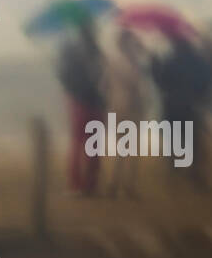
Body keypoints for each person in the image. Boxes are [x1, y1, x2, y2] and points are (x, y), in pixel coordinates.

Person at [150, 38, 212, 191]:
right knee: (193, 143)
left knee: (173, 142)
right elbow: (207, 82)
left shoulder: (170, 61)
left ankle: (173, 174)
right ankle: (195, 177)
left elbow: (161, 82)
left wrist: (155, 65)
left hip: (172, 107)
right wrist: (200, 98)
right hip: (191, 107)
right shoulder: (199, 61)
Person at [56, 19, 106, 195]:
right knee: (94, 145)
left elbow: (63, 77)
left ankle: (76, 184)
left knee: (77, 143)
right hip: (96, 102)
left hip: (78, 102)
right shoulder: (97, 51)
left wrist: (71, 90)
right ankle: (91, 184)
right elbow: (103, 78)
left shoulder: (70, 52)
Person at [101, 28, 149, 198]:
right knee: (131, 149)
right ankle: (127, 186)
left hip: (115, 106)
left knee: (122, 148)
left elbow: (104, 85)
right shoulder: (130, 62)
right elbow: (135, 84)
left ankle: (114, 184)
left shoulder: (111, 60)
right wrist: (138, 58)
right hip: (130, 107)